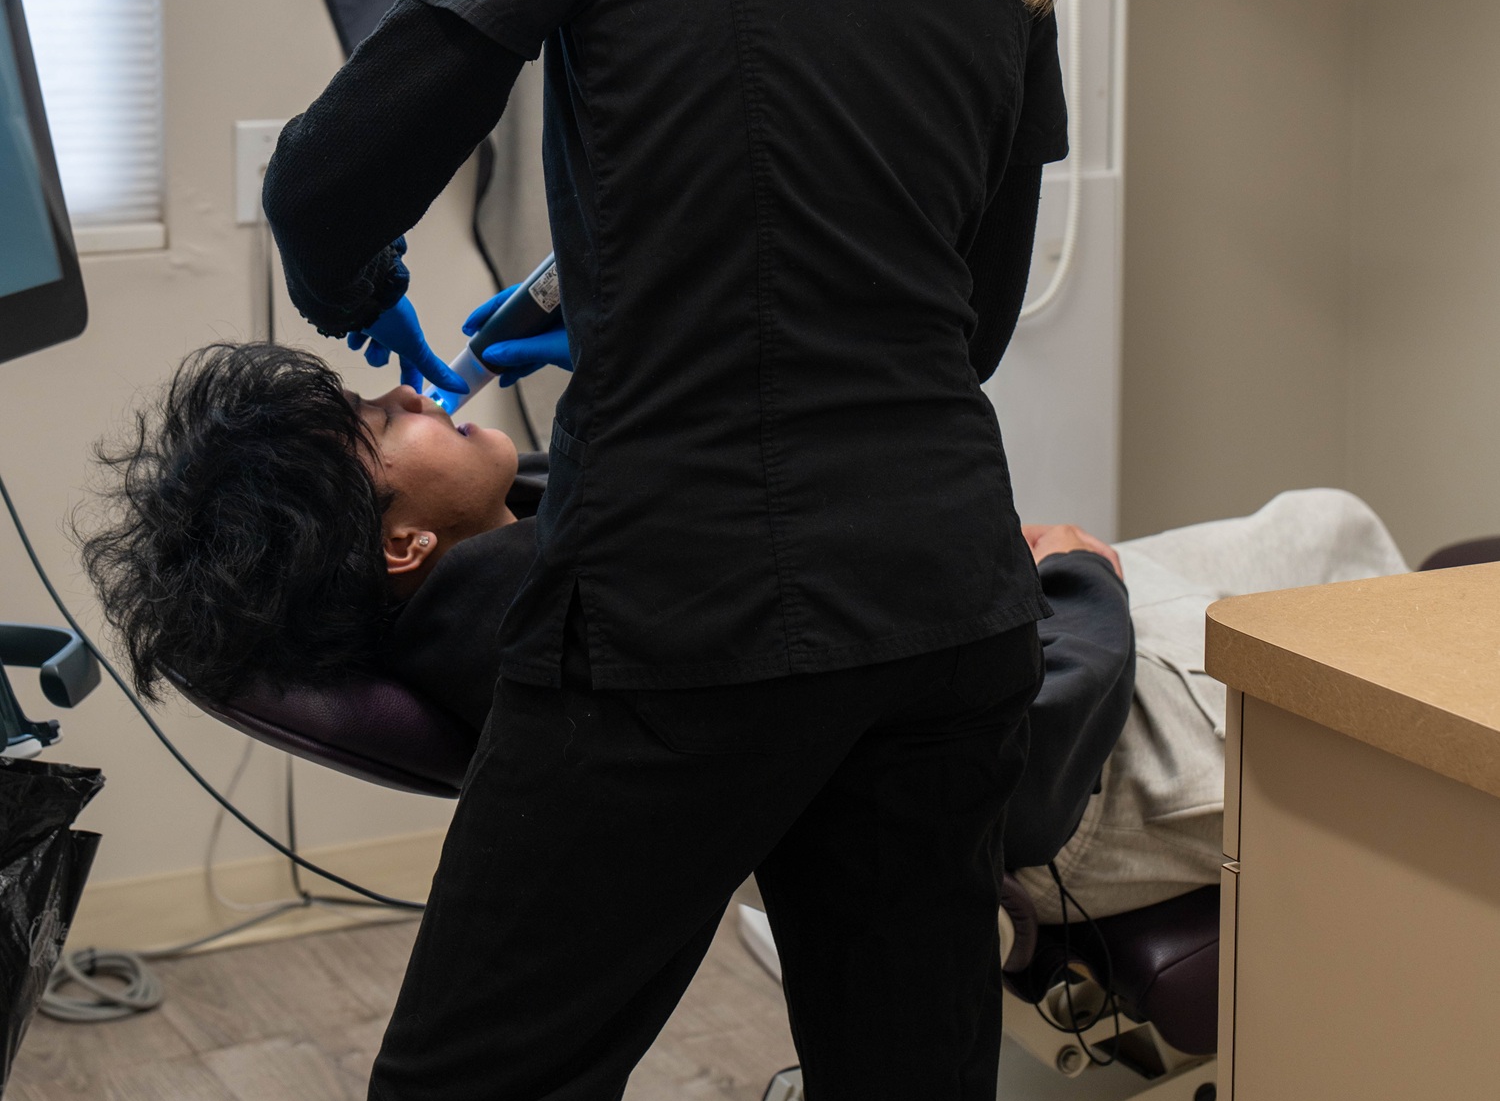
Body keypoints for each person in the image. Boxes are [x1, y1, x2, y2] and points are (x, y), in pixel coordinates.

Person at [261, 0, 1073, 1101]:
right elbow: (964, 324)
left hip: (686, 607)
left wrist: (362, 288)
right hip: (946, 606)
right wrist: (642, 298)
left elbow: (327, 182)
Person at [80, 341, 1132, 869]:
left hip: (1015, 619)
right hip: (1090, 727)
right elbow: (1012, 770)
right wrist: (1082, 585)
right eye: (380, 424)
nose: (405, 390)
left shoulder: (524, 563)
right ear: (403, 544)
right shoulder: (589, 619)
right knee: (1257, 550)